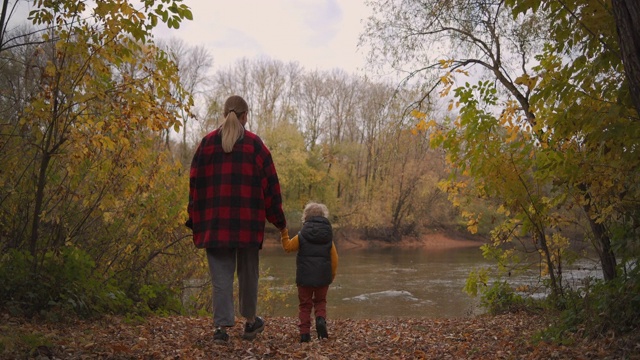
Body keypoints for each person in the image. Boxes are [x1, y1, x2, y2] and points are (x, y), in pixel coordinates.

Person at [186, 95, 288, 344]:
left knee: (221, 279)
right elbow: (271, 188)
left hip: (215, 224)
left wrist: (194, 220)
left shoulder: (206, 144)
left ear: (224, 115)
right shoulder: (255, 145)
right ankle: (251, 323)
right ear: (245, 116)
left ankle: (221, 330)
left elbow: (195, 186)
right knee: (248, 275)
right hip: (247, 225)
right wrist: (279, 221)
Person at [281, 202, 338, 343]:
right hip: (323, 278)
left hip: (304, 278)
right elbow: (335, 259)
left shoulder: (301, 236)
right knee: (320, 302)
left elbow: (288, 247)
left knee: (305, 305)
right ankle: (320, 319)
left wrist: (284, 232)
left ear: (305, 217)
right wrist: (331, 276)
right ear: (324, 216)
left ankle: (304, 334)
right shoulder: (328, 237)